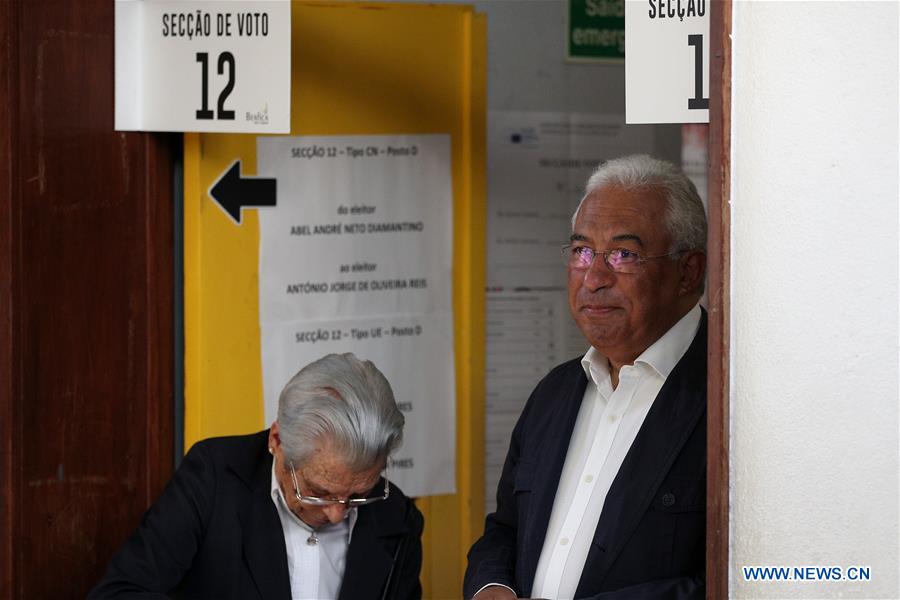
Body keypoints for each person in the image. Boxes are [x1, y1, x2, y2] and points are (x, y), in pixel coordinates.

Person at [464, 155, 708, 600]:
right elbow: (505, 528)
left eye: (623, 254)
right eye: (581, 252)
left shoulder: (730, 398)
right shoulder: (555, 393)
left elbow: (756, 575)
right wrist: (491, 585)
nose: (594, 277)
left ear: (687, 272)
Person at [90, 353, 424, 600]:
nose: (337, 513)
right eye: (318, 492)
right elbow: (121, 592)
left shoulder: (396, 517)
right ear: (277, 441)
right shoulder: (214, 477)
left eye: (357, 495)